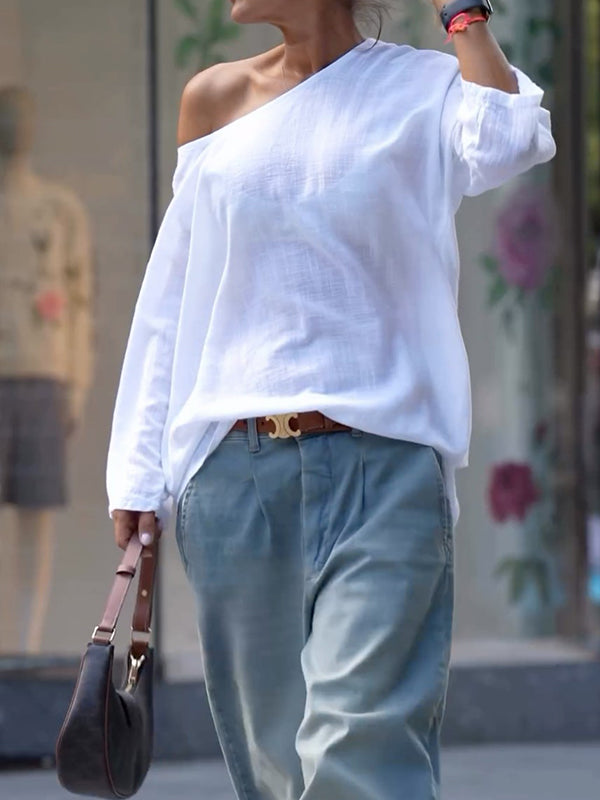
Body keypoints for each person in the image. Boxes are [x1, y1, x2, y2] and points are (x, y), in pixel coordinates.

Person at [107, 0, 556, 797]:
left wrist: (459, 12)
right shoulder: (215, 99)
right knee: (276, 772)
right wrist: (139, 473)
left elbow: (510, 138)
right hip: (236, 481)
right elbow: (174, 297)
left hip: (385, 468)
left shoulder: (425, 88)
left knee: (359, 748)